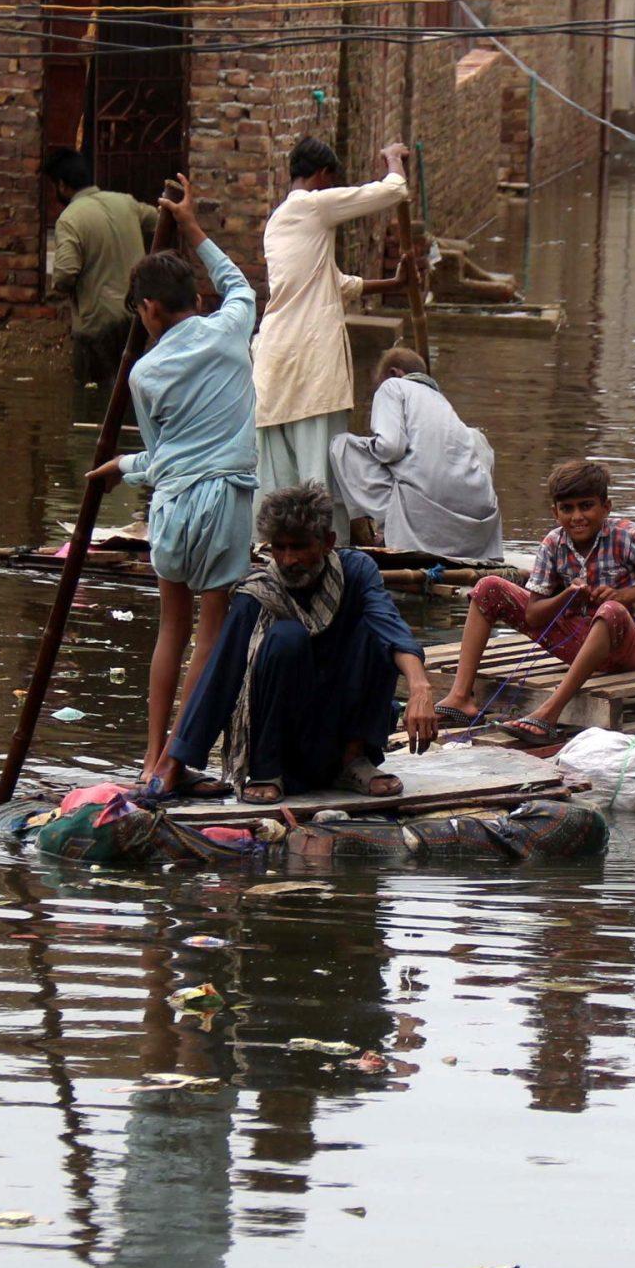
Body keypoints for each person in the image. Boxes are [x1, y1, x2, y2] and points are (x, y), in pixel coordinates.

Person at [83, 173, 257, 790]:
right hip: (223, 501)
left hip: (173, 508)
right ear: (193, 299)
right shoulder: (232, 326)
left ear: (149, 311)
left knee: (170, 630)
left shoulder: (145, 373)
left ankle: (152, 755)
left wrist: (122, 467)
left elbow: (160, 459)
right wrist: (193, 229)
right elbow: (240, 285)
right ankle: (175, 764)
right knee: (209, 633)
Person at [155, 483, 440, 806]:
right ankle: (268, 771)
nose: (288, 560)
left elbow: (391, 626)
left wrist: (420, 688)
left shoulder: (356, 573)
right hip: (284, 749)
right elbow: (221, 676)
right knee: (286, 638)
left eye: (299, 547)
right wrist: (174, 764)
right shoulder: (257, 594)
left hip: (339, 735)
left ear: (328, 542)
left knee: (373, 631)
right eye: (280, 548)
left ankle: (353, 761)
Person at [435, 458, 635, 744]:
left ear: (606, 507)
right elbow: (534, 615)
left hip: (624, 650)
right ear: (555, 512)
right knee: (487, 586)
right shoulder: (553, 544)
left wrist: (622, 595)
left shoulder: (627, 536)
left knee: (610, 609)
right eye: (567, 509)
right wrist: (565, 596)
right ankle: (460, 696)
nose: (577, 516)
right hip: (578, 642)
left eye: (586, 506)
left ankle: (549, 712)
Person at [252, 137, 411, 538]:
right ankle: (325, 549)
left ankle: (274, 544)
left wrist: (392, 282)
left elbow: (336, 283)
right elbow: (392, 190)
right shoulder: (311, 205)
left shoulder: (280, 221)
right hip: (308, 358)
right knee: (320, 463)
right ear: (322, 175)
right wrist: (393, 160)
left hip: (277, 355)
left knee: (282, 469)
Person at [328, 347, 505, 560]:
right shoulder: (443, 405)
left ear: (395, 373)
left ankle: (372, 531)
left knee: (342, 445)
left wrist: (370, 446)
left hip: (424, 518)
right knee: (475, 438)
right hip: (478, 530)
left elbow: (390, 448)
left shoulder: (393, 387)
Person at [43, 150, 160, 406]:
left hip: (97, 324)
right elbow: (160, 218)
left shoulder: (70, 219)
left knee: (93, 400)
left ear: (62, 185)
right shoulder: (126, 203)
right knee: (130, 395)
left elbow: (65, 274)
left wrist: (55, 292)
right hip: (136, 318)